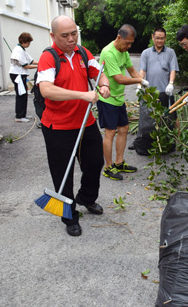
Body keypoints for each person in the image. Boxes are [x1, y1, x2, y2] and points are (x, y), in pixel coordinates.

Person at [36, 15, 111, 237]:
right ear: (53, 36)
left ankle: (86, 198)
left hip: (86, 122)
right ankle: (69, 216)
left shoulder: (82, 52)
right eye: (65, 35)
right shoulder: (48, 58)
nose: (71, 39)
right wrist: (83, 95)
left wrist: (104, 85)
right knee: (62, 174)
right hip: (58, 127)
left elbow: (99, 73)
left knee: (95, 162)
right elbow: (46, 90)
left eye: (74, 34)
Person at [98, 24, 147, 180]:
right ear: (119, 38)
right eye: (127, 43)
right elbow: (119, 78)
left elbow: (132, 70)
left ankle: (119, 162)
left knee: (124, 129)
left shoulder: (123, 51)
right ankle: (108, 167)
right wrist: (138, 80)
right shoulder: (109, 52)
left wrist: (141, 83)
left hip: (119, 98)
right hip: (107, 98)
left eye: (131, 43)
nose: (129, 46)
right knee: (110, 132)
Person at [132, 27, 179, 155]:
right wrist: (139, 84)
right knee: (147, 119)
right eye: (157, 38)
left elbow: (173, 69)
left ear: (165, 38)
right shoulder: (146, 53)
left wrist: (171, 83)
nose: (159, 40)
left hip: (165, 91)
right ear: (153, 38)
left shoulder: (170, 52)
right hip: (150, 92)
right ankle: (146, 142)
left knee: (168, 118)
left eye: (162, 38)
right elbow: (142, 70)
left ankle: (170, 142)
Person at [9, 32, 38, 123]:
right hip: (17, 75)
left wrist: (42, 62)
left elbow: (31, 61)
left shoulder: (22, 49)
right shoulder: (18, 50)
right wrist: (39, 66)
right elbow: (25, 66)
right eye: (29, 42)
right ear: (24, 41)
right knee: (21, 95)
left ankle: (23, 114)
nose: (29, 44)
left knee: (24, 94)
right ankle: (19, 116)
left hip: (20, 75)